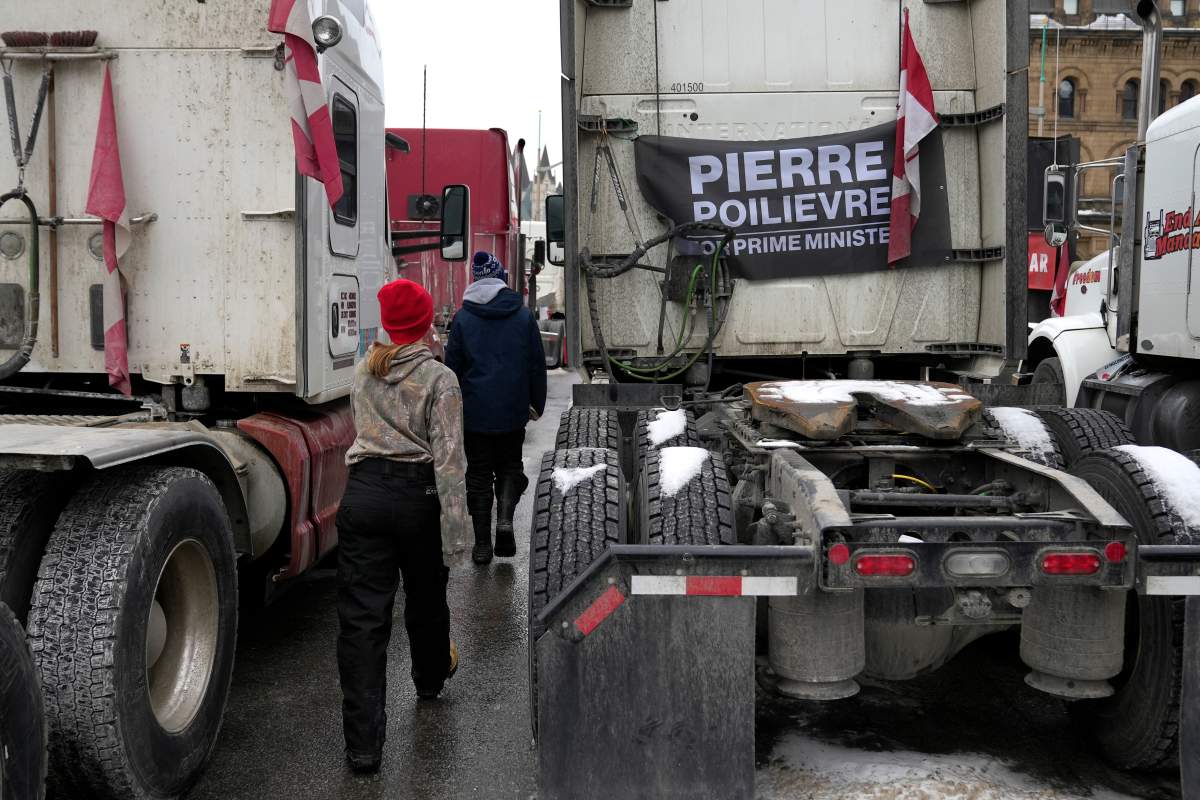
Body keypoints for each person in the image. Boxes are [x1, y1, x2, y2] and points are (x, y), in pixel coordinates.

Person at [335, 278, 470, 773]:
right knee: (427, 596)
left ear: (388, 323)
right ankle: (430, 678)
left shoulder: (361, 374)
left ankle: (364, 747)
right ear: (426, 323)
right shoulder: (440, 379)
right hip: (420, 498)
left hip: (365, 495)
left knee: (362, 621)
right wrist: (458, 537)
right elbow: (451, 464)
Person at [446, 251, 547, 565]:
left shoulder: (463, 318)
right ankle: (504, 519)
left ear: (476, 279)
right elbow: (536, 364)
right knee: (509, 468)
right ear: (501, 278)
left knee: (477, 475)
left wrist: (454, 409)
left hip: (475, 413)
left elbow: (452, 369)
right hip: (512, 409)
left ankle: (481, 544)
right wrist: (536, 403)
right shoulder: (522, 315)